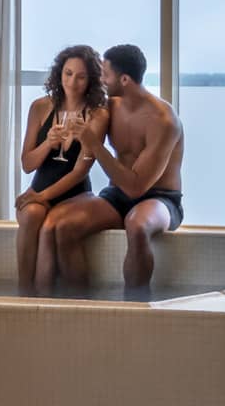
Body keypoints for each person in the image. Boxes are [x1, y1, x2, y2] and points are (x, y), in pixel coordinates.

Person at [55, 43, 184, 290]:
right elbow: (85, 150)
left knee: (137, 226)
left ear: (124, 79)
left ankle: (134, 310)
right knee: (64, 226)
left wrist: (95, 144)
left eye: (106, 74)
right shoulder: (109, 106)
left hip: (160, 198)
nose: (100, 79)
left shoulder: (163, 121)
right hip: (118, 194)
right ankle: (80, 307)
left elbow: (137, 187)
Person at [13, 44, 108, 295]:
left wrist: (41, 196)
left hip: (76, 194)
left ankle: (50, 301)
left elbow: (80, 171)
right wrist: (48, 144)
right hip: (40, 188)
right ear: (59, 74)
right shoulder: (40, 107)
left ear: (91, 80)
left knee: (48, 227)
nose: (72, 82)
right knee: (32, 215)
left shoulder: (98, 115)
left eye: (80, 76)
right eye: (68, 73)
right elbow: (26, 164)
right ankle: (23, 294)